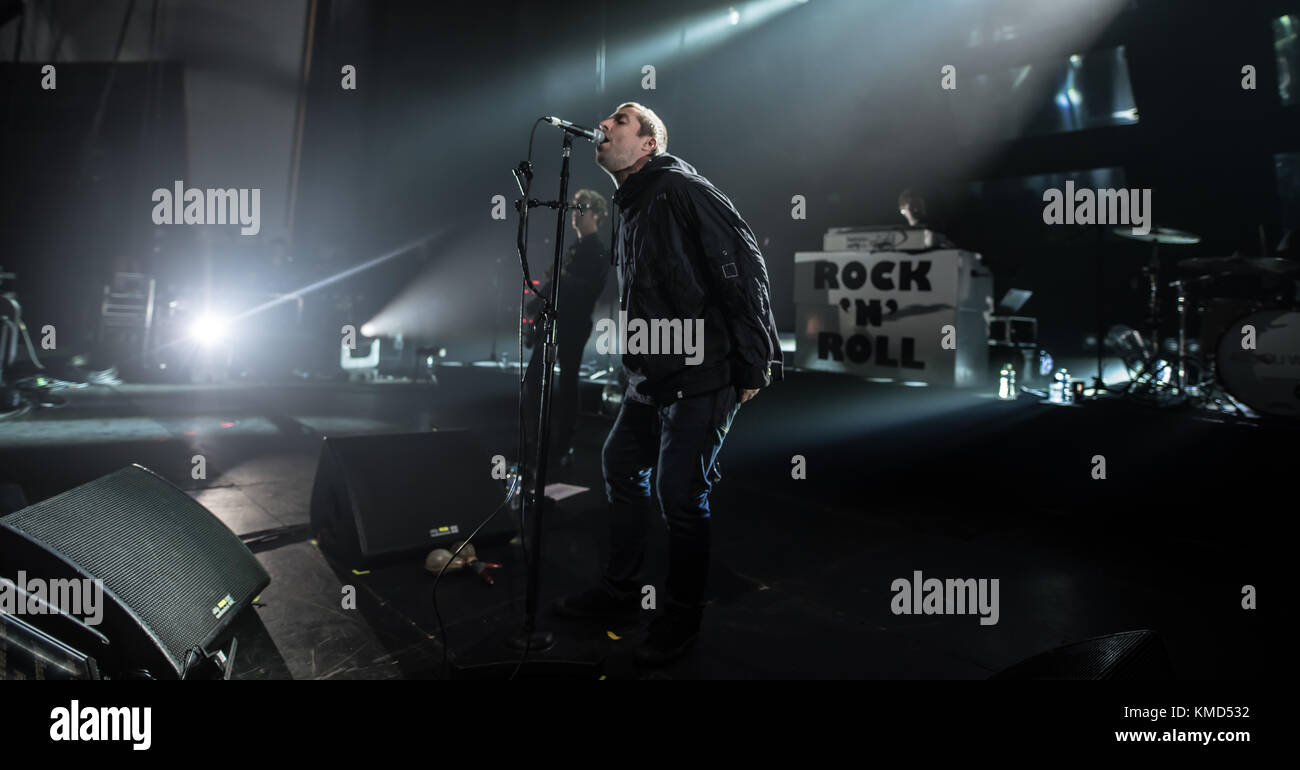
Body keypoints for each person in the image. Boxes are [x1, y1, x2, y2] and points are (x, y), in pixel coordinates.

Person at [551, 102, 783, 665]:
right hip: (654, 372)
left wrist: (755, 359)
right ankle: (620, 592)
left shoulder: (680, 188)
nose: (602, 126)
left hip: (705, 367)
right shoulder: (630, 204)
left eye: (619, 121)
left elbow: (742, 266)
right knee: (620, 465)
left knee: (680, 494)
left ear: (649, 143)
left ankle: (680, 619)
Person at [522, 189, 610, 470]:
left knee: (567, 383)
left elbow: (589, 290)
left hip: (574, 324)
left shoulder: (597, 250)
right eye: (574, 208)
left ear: (596, 213)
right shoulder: (574, 247)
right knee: (535, 379)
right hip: (555, 322)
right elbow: (558, 283)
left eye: (581, 208)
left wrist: (562, 276)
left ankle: (562, 446)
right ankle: (534, 443)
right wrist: (536, 303)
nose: (574, 213)